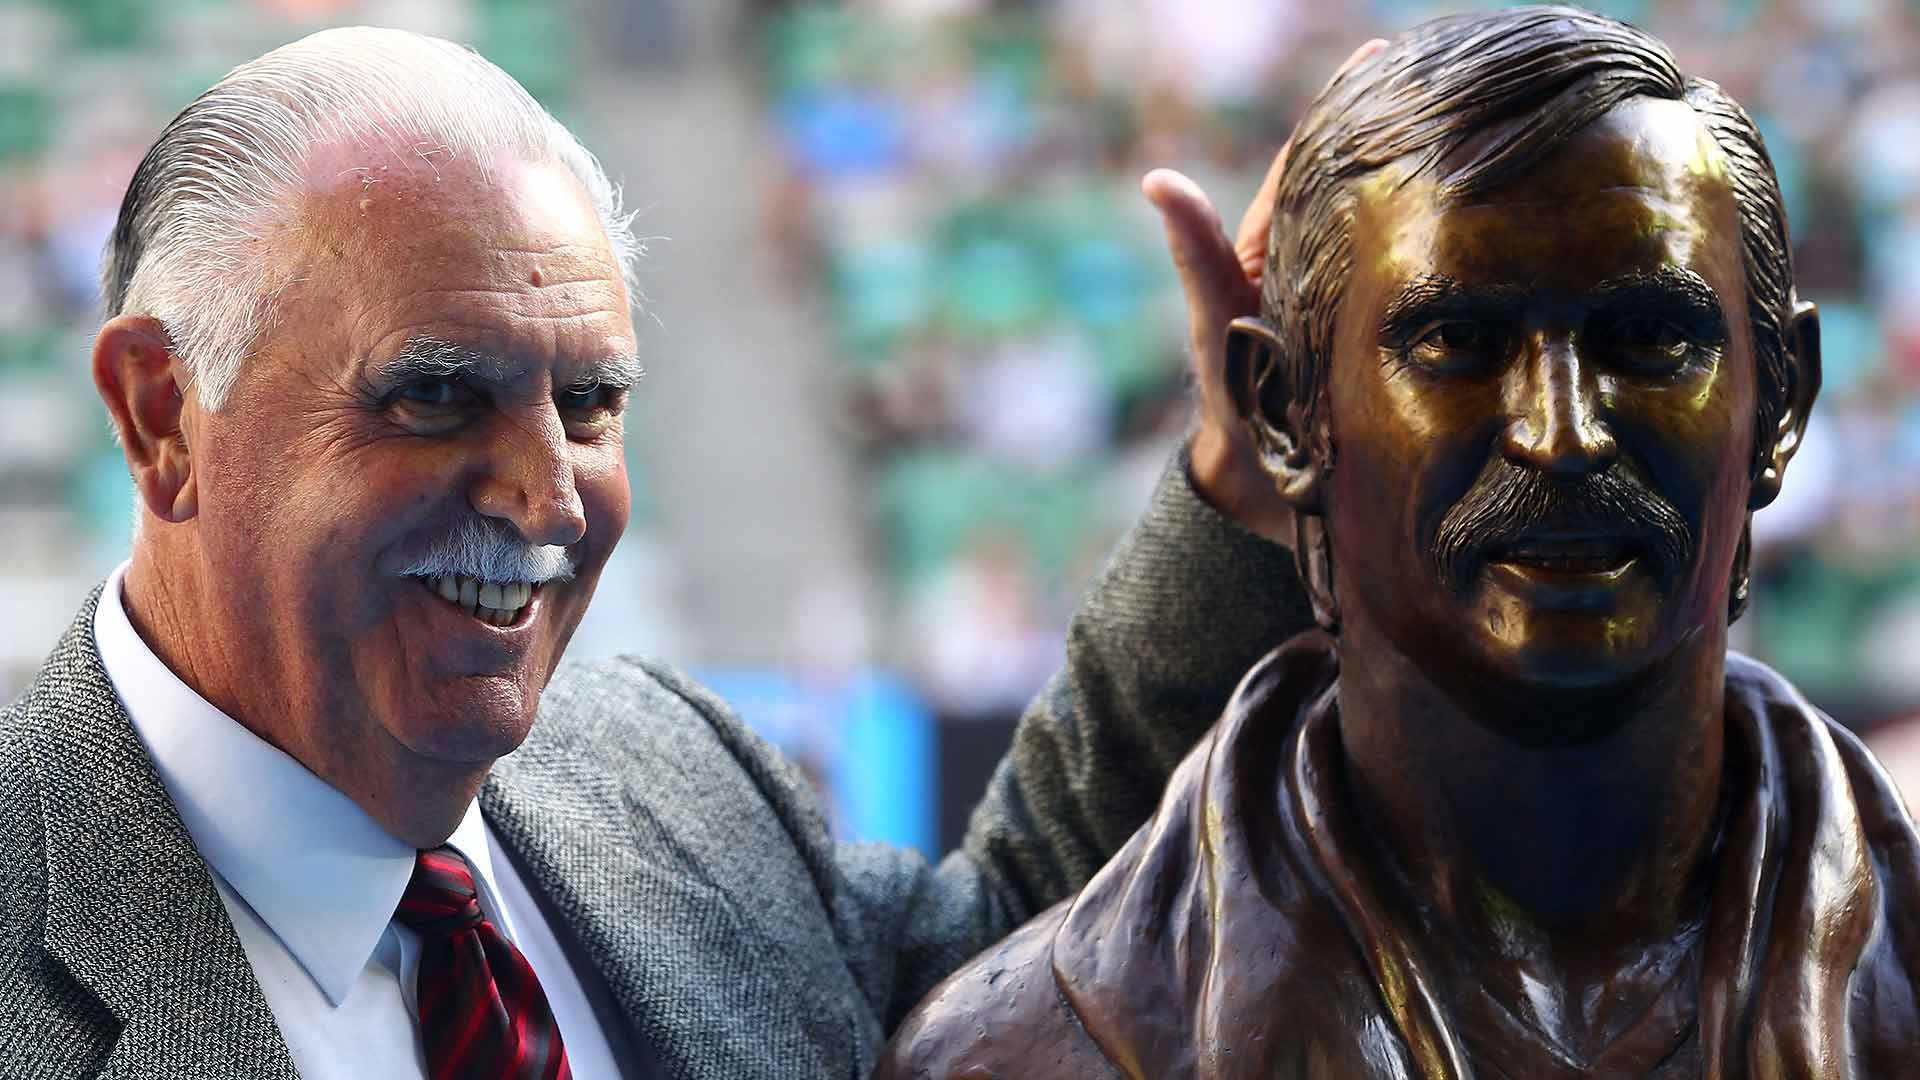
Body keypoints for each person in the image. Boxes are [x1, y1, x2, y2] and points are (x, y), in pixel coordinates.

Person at [0, 27, 1341, 1080]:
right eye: (434, 396)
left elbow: (1019, 972)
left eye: (591, 403)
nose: (546, 496)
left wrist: (1241, 485)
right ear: (163, 417)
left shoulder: (678, 777)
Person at [877, 8, 1920, 1078]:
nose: (1561, 435)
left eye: (1650, 338)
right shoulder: (1016, 1056)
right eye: (1456, 342)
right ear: (1282, 412)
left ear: (1783, 398)